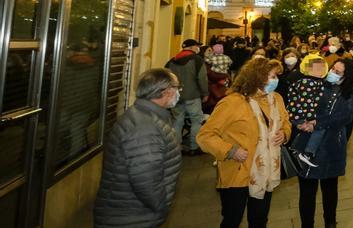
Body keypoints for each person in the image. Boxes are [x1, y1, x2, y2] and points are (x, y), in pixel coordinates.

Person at [197, 57, 290, 228]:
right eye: (271, 76)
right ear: (256, 77)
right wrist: (231, 150)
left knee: (259, 219)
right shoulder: (232, 102)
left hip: (266, 171)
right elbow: (205, 135)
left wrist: (284, 134)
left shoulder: (276, 99)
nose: (275, 80)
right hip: (237, 172)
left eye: (276, 76)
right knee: (232, 219)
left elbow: (285, 123)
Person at [93, 68, 184, 227]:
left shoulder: (146, 116)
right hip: (131, 218)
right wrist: (161, 206)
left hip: (132, 213)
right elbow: (145, 179)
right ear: (167, 91)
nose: (179, 93)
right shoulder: (145, 128)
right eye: (178, 88)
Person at [293, 58, 353, 228]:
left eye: (338, 72)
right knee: (307, 192)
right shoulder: (317, 83)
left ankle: (330, 223)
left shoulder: (351, 91)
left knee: (330, 191)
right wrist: (301, 122)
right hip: (307, 144)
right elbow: (300, 104)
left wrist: (317, 123)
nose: (332, 73)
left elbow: (346, 116)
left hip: (331, 147)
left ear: (347, 77)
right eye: (332, 69)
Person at [165, 38, 209, 155]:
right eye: (196, 46)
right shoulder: (197, 60)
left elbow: (166, 77)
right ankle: (194, 147)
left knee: (177, 121)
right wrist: (205, 93)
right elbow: (202, 78)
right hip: (193, 96)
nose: (198, 48)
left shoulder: (172, 61)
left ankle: (176, 147)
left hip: (176, 96)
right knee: (196, 120)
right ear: (192, 47)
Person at [288, 55, 330, 167]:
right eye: (317, 69)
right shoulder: (308, 82)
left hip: (302, 114)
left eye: (322, 68)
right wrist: (311, 119)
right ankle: (308, 152)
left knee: (310, 131)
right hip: (300, 114)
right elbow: (306, 102)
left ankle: (298, 149)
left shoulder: (316, 81)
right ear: (308, 69)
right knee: (319, 128)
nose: (321, 71)